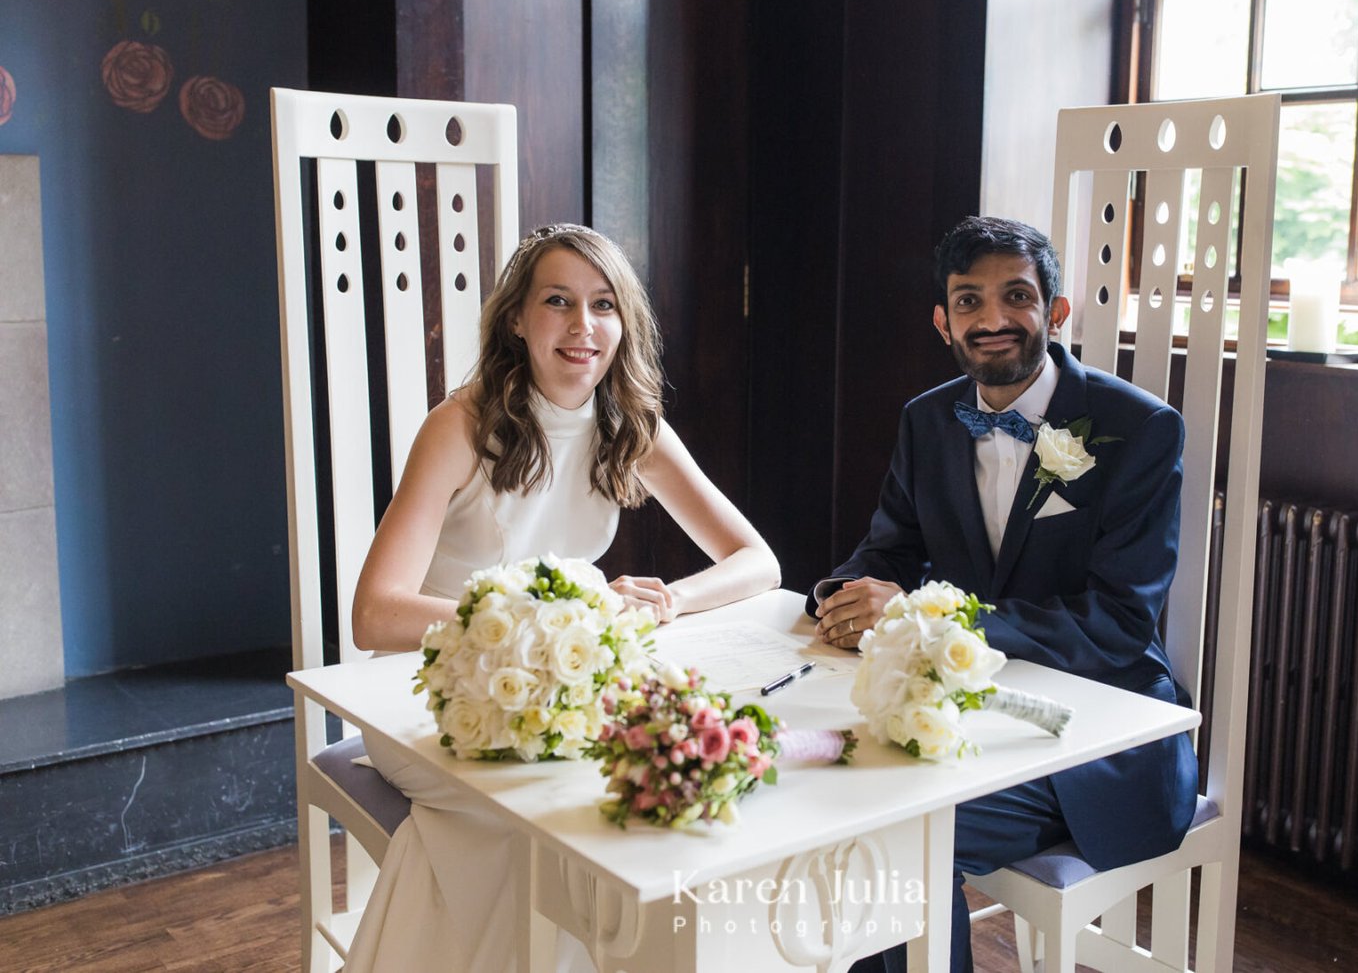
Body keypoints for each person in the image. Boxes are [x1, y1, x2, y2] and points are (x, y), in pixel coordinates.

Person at [343, 223, 781, 973]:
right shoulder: (458, 426)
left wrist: (667, 600)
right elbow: (375, 614)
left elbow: (757, 562)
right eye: (558, 301)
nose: (584, 327)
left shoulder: (629, 426)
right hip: (426, 691)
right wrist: (540, 619)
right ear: (517, 316)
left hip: (558, 685)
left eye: (604, 304)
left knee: (628, 802)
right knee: (537, 821)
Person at [811, 216, 1199, 973]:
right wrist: (839, 596)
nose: (992, 319)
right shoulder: (926, 419)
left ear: (1056, 311)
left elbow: (1120, 623)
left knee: (895, 835)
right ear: (942, 320)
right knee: (837, 813)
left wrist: (942, 621)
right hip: (969, 720)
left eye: (1015, 296)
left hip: (1101, 739)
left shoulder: (1141, 428)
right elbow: (888, 549)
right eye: (968, 301)